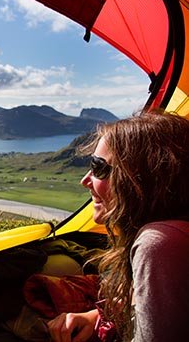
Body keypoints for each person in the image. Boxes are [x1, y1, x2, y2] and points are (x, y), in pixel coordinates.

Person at [47, 112, 189, 341]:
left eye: (98, 167)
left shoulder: (160, 243)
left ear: (142, 178)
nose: (85, 181)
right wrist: (96, 317)